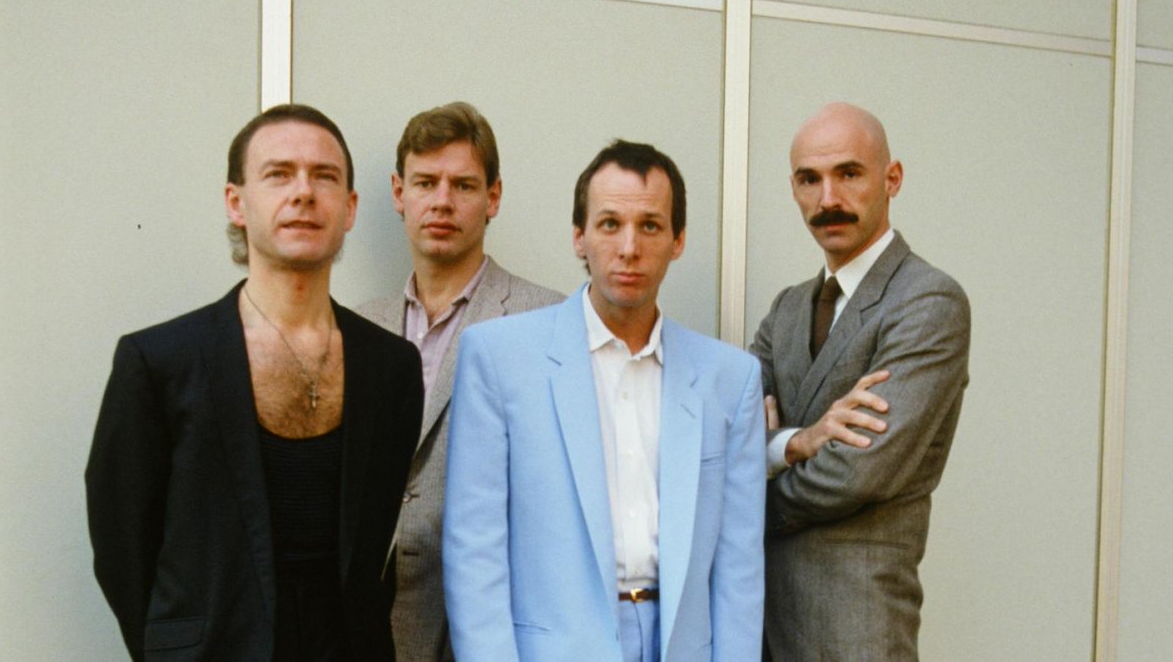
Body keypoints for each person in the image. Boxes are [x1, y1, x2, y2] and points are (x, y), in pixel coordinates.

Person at [85, 104, 423, 661]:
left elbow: (370, 549)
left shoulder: (392, 368)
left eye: (324, 176)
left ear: (350, 208)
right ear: (235, 202)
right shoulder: (159, 362)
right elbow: (123, 547)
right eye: (278, 174)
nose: (303, 192)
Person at [442, 140, 765, 661]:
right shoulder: (499, 358)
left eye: (650, 226)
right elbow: (474, 552)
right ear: (580, 236)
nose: (629, 247)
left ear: (678, 240)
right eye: (610, 224)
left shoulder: (730, 379)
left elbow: (739, 569)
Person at [751, 102, 970, 661]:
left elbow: (856, 472)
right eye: (809, 179)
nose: (828, 198)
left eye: (848, 173)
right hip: (760, 630)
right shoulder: (786, 310)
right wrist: (795, 443)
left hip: (857, 630)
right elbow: (727, 430)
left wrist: (747, 498)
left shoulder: (928, 301)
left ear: (892, 179)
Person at [356, 101, 562, 660]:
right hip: (370, 630)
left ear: (493, 197)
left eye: (463, 185)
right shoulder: (357, 327)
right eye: (426, 182)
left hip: (489, 631)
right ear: (398, 193)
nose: (442, 201)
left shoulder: (549, 321)